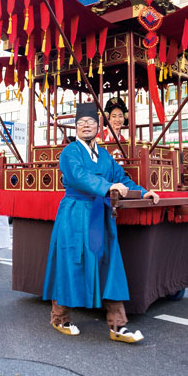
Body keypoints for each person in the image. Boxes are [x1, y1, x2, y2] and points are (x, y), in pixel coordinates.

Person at [43, 102, 159, 343]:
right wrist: (107, 187)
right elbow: (77, 176)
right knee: (71, 262)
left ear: (98, 126)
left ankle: (118, 325)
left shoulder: (105, 155)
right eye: (81, 123)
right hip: (74, 214)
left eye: (91, 123)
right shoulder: (69, 152)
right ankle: (59, 317)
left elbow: (121, 178)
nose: (86, 126)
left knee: (109, 264)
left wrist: (143, 191)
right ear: (76, 127)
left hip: (99, 214)